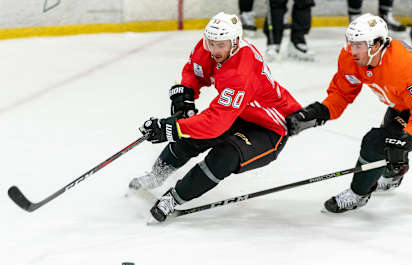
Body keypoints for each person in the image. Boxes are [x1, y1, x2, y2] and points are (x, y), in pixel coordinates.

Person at [129, 12, 302, 222]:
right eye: (211, 43)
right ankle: (156, 175)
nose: (215, 49)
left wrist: (171, 128)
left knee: (225, 155)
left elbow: (216, 123)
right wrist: (186, 95)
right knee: (190, 134)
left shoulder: (242, 70)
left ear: (236, 42)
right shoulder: (208, 46)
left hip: (270, 127)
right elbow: (194, 71)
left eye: (221, 45)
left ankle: (174, 198)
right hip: (241, 113)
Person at [286, 13, 412, 213]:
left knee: (376, 143)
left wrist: (409, 138)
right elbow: (341, 93)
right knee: (388, 148)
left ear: (376, 45)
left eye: (358, 45)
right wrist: (318, 112)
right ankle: (394, 173)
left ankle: (357, 194)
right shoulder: (351, 57)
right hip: (401, 105)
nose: (352, 50)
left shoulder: (404, 65)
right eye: (350, 43)